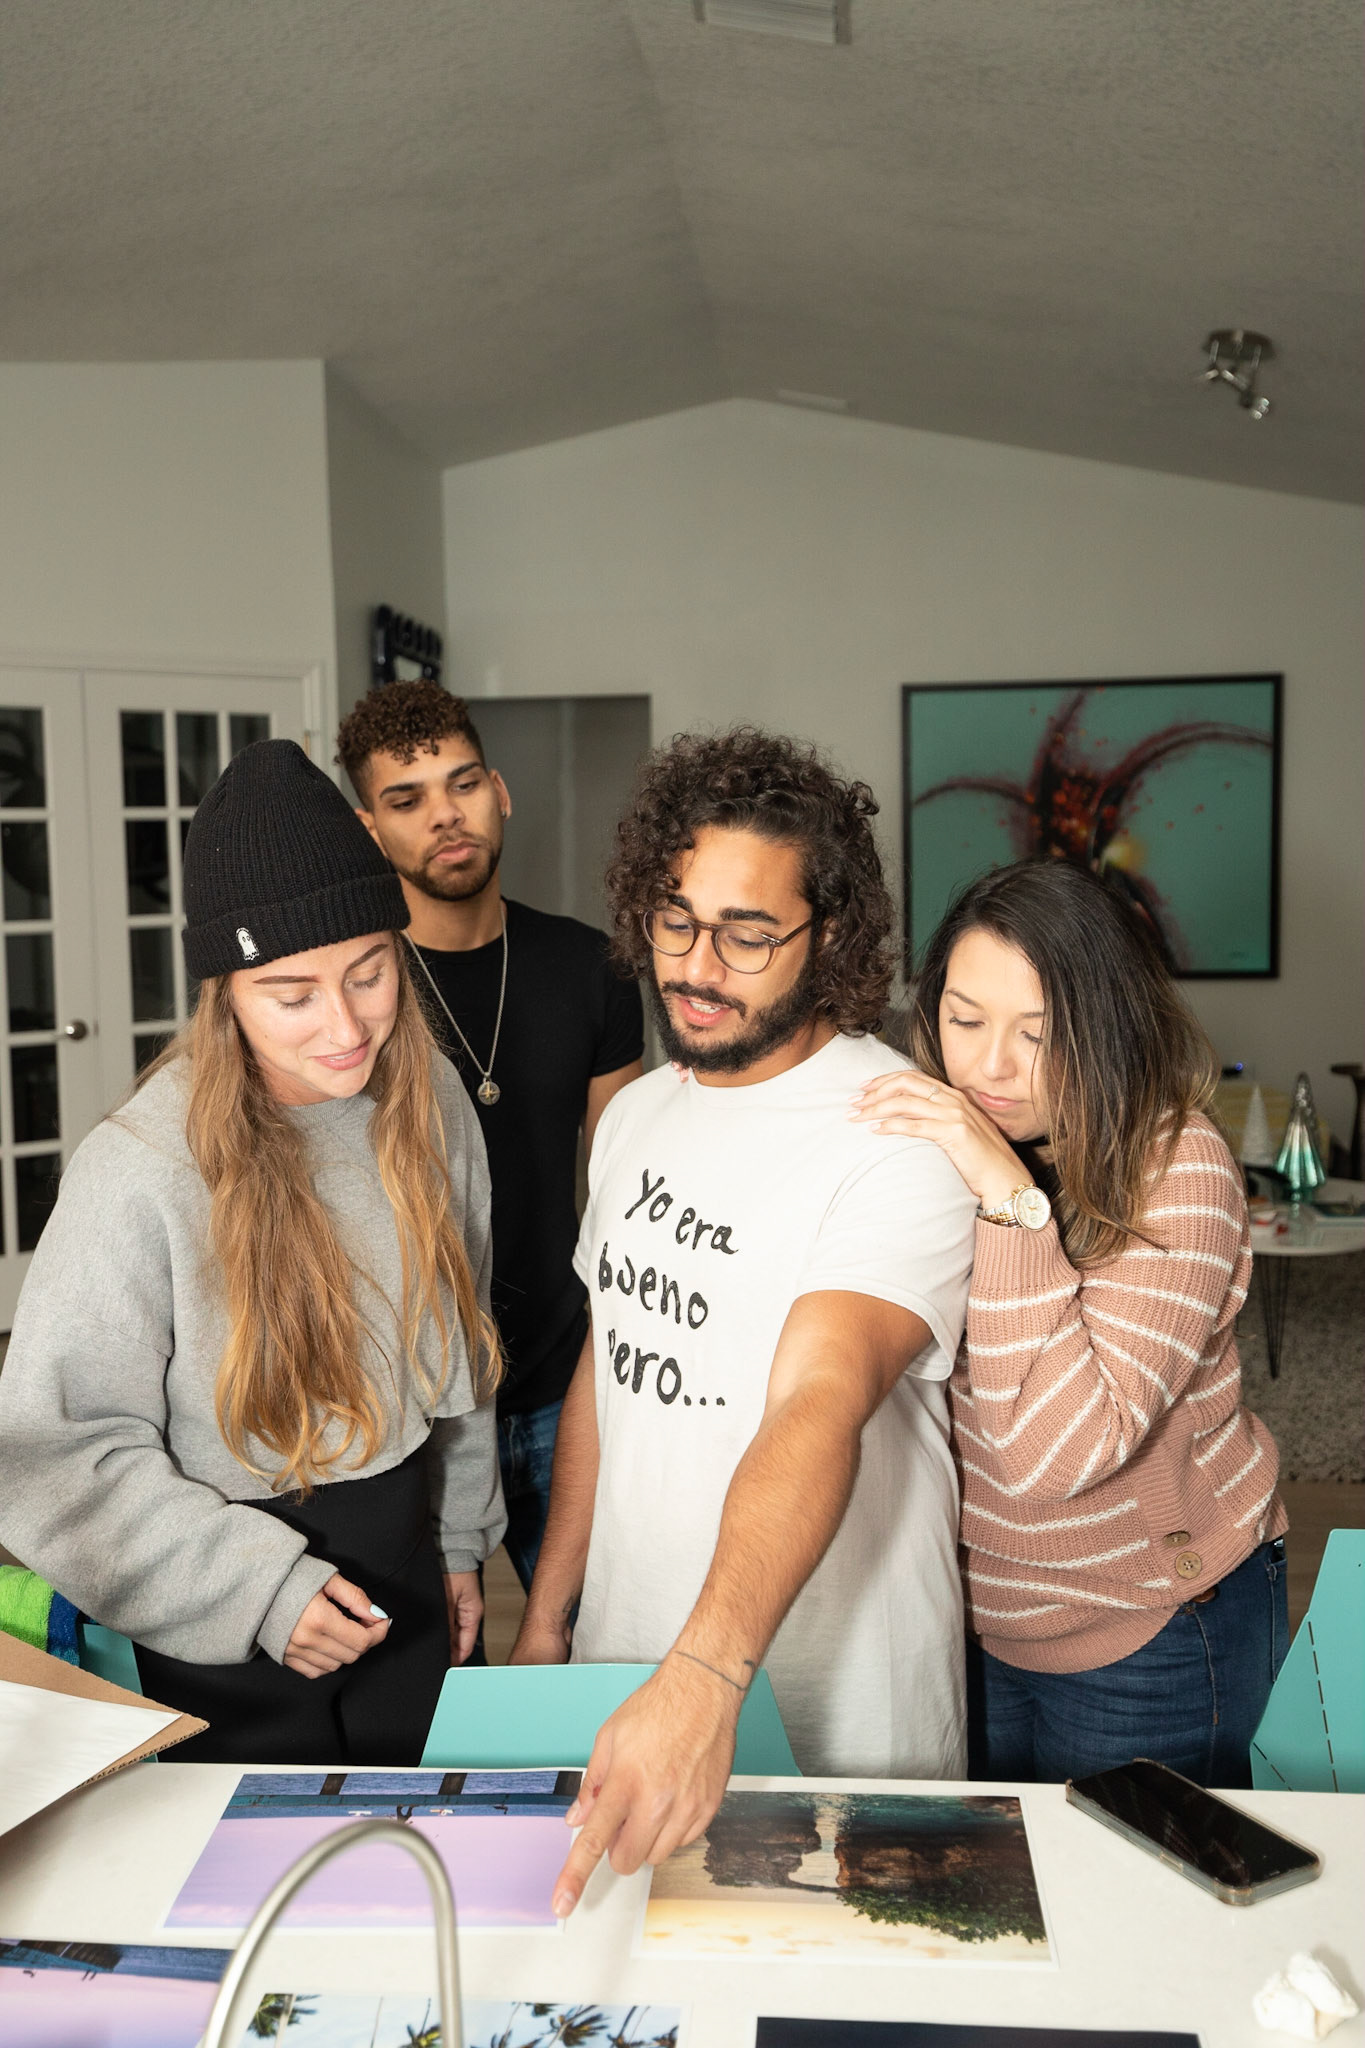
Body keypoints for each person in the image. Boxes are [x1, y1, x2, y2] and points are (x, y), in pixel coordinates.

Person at [511, 726, 978, 1917]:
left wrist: (708, 1673)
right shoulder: (635, 1117)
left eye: (748, 932)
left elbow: (821, 1394)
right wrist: (551, 1616)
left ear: (833, 936)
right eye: (676, 919)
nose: (697, 964)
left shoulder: (896, 1133)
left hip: (837, 1706)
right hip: (632, 1674)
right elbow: (614, 1368)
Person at [0, 740, 505, 1764]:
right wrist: (262, 1590)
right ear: (225, 992)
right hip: (219, 1604)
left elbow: (463, 1343)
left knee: (422, 1843)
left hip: (408, 1573)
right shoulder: (140, 1166)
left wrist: (460, 1541)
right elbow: (54, 1458)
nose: (345, 1026)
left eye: (369, 973)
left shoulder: (434, 1100)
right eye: (292, 993)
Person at [851, 857, 1287, 1788]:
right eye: (964, 1020)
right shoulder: (929, 1146)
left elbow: (1056, 1457)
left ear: (1107, 1026)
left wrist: (1008, 1198)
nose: (990, 1067)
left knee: (1134, 1881)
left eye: (1038, 1034)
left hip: (1153, 1622)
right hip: (975, 1615)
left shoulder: (1177, 1164)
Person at [337, 683, 644, 1590]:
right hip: (410, 1402)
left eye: (462, 784)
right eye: (407, 799)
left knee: (591, 1638)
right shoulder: (351, 997)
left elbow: (626, 1186)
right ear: (368, 830)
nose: (445, 814)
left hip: (559, 1379)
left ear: (499, 791)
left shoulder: (591, 966)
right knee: (434, 1657)